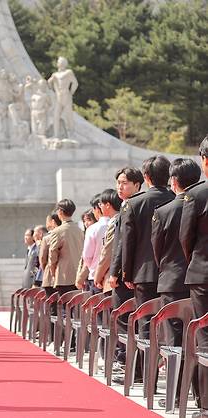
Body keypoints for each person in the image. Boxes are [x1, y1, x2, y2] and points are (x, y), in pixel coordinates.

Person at [151, 158, 202, 408]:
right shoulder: (202, 200)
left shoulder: (163, 212)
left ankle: (176, 396)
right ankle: (199, 394)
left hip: (171, 281)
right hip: (199, 278)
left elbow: (157, 250)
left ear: (174, 180)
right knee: (199, 338)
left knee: (175, 342)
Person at [121, 156, 175, 340]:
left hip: (144, 273)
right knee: (172, 323)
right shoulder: (177, 200)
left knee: (145, 323)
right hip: (172, 272)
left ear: (146, 177)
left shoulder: (134, 203)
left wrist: (127, 274)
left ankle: (147, 367)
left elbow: (128, 242)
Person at [180, 136, 208, 418]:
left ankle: (206, 404)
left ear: (204, 159)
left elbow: (185, 238)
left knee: (205, 338)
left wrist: (195, 262)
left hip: (203, 275)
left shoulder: (196, 194)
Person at [107, 167, 143, 373]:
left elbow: (122, 244)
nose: (120, 187)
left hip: (127, 275)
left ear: (137, 184)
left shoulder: (129, 206)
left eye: (124, 183)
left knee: (123, 318)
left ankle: (126, 363)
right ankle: (136, 367)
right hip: (141, 274)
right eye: (118, 183)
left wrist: (117, 272)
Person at [48, 199, 84, 297]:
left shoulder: (57, 231)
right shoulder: (80, 230)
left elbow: (52, 255)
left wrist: (53, 271)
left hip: (64, 276)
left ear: (60, 211)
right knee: (77, 309)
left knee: (64, 309)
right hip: (79, 274)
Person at [80, 195, 109, 294]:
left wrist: (92, 267)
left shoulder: (93, 229)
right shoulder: (116, 223)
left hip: (95, 276)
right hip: (113, 276)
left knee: (98, 307)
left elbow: (87, 256)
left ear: (97, 208)